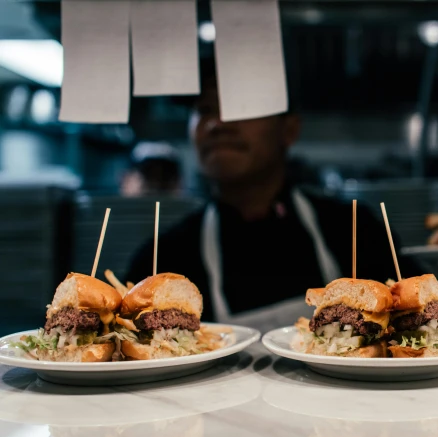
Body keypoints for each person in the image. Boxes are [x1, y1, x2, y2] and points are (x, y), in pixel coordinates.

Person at [124, 62, 422, 331]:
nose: (217, 123)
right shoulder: (161, 259)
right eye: (204, 109)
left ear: (289, 129)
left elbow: (418, 317)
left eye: (240, 107)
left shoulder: (355, 229)